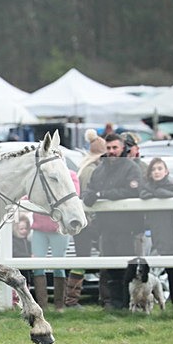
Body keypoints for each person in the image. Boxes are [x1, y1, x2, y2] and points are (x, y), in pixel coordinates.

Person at [81, 133, 143, 310]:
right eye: (108, 148)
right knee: (109, 269)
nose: (112, 151)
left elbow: (132, 191)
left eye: (115, 148)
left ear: (123, 148)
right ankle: (114, 304)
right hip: (106, 228)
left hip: (126, 228)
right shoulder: (99, 170)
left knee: (127, 269)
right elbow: (89, 190)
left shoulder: (131, 168)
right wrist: (89, 197)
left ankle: (128, 304)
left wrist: (102, 195)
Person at [66, 129, 106, 308]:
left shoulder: (86, 166)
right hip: (87, 220)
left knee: (84, 258)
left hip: (84, 220)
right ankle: (72, 299)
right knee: (83, 258)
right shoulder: (91, 170)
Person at [30, 169, 80, 312]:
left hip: (59, 228)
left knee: (59, 265)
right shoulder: (38, 176)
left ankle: (59, 305)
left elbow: (73, 195)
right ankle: (42, 306)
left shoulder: (71, 175)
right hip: (39, 228)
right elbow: (29, 196)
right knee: (37, 265)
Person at [140, 158, 173, 305]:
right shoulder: (147, 188)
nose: (156, 172)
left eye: (159, 168)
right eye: (153, 169)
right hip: (158, 233)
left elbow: (170, 194)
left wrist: (156, 192)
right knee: (169, 267)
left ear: (166, 171)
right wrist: (154, 192)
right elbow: (143, 194)